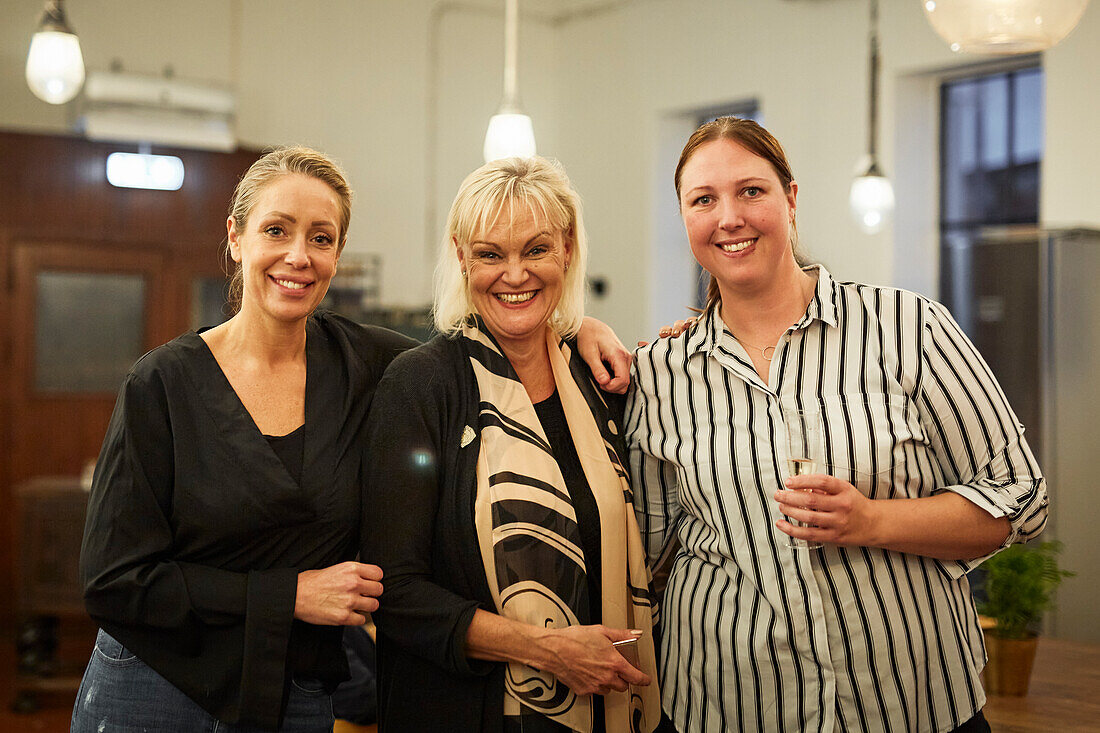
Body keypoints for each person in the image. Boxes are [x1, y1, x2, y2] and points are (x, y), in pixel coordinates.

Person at [72, 146, 631, 733]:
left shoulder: (368, 364)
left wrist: (575, 329)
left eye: (321, 237)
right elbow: (113, 582)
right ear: (236, 237)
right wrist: (287, 595)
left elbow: (484, 344)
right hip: (156, 688)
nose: (298, 256)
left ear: (337, 253)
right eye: (276, 230)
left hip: (294, 692)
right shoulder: (162, 383)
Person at [626, 117, 1048, 733]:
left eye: (751, 191)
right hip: (729, 705)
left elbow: (1021, 496)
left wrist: (873, 520)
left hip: (911, 704)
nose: (729, 218)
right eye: (703, 200)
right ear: (684, 217)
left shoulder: (908, 328)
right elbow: (641, 549)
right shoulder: (660, 374)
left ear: (790, 198)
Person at [363, 156, 662, 732]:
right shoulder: (421, 385)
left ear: (568, 249)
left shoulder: (599, 381)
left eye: (536, 249)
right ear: (461, 256)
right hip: (469, 714)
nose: (515, 274)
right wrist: (544, 650)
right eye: (491, 254)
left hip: (614, 705)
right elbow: (394, 593)